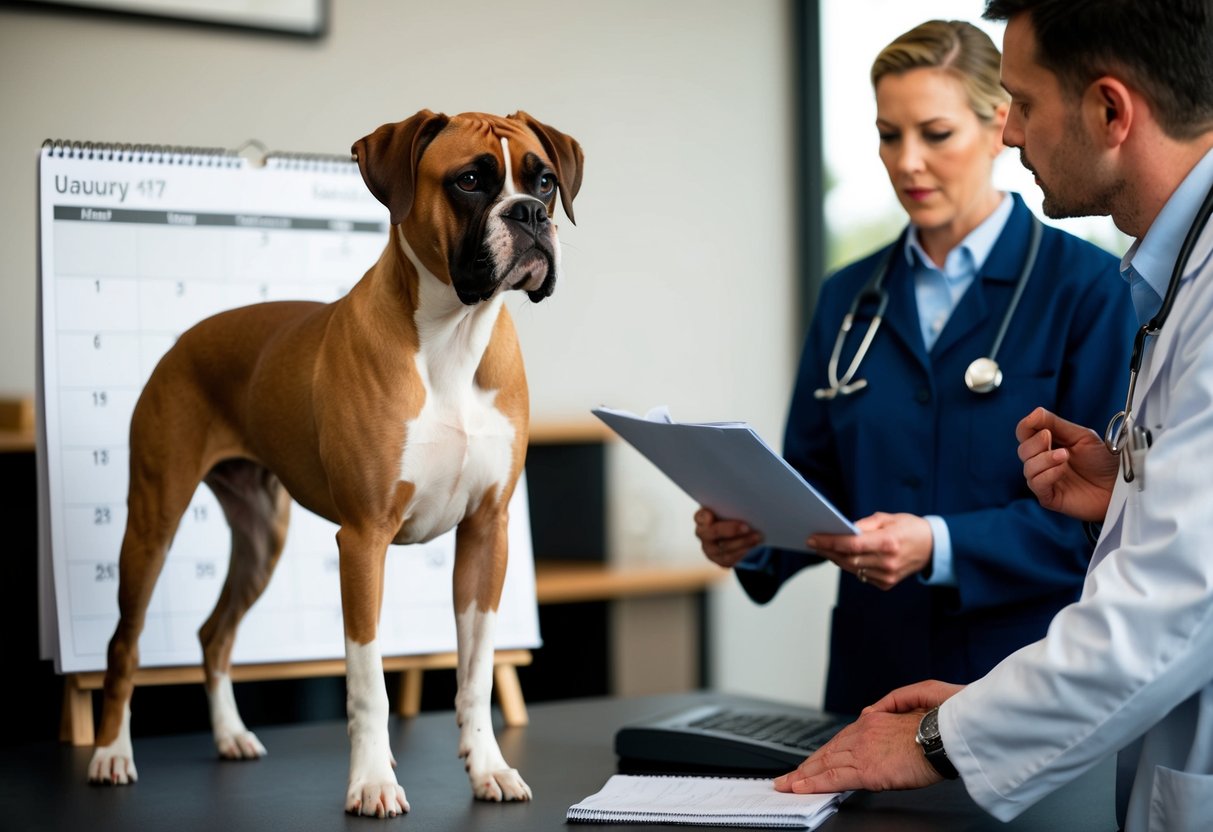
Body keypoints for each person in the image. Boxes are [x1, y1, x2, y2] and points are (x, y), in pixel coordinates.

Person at [779, 2, 1213, 830]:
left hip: (1033, 703)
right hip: (913, 689)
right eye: (886, 133)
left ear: (1109, 112)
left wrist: (944, 738)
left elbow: (1165, 605)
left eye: (1021, 102)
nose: (1011, 133)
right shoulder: (1168, 274)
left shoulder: (1103, 285)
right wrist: (1125, 489)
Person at [695, 19, 1134, 714]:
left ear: (999, 125)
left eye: (934, 134)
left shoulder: (1092, 290)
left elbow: (1106, 522)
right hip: (868, 683)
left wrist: (938, 544)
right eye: (887, 134)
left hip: (1018, 681)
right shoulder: (847, 297)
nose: (906, 163)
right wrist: (753, 532)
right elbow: (816, 483)